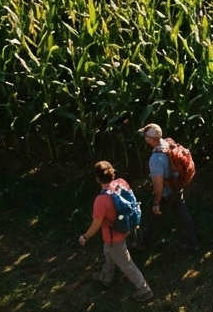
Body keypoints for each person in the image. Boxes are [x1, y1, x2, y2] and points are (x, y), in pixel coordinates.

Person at [79, 160, 154, 301]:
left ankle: (144, 290)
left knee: (126, 263)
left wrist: (85, 237)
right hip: (125, 227)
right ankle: (106, 277)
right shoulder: (121, 183)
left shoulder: (101, 200)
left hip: (114, 236)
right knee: (108, 252)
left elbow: (96, 224)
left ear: (97, 178)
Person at [138, 123, 200, 253]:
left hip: (166, 193)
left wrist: (156, 203)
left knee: (154, 217)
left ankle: (145, 245)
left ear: (153, 139)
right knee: (184, 216)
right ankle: (193, 243)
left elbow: (158, 185)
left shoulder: (155, 159)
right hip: (177, 188)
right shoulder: (167, 144)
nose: (144, 137)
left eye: (146, 136)